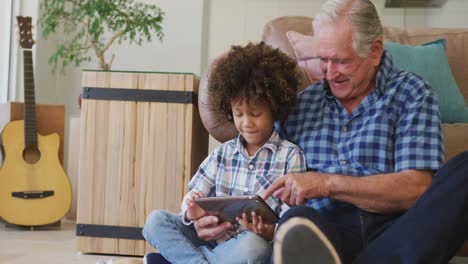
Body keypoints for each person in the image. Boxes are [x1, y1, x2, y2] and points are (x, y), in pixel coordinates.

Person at [259, 0, 468, 264]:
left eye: (342, 61)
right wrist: (232, 216)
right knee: (296, 223)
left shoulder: (412, 93)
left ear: (375, 51)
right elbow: (261, 173)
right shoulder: (299, 107)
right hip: (322, 231)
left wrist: (326, 183)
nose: (331, 73)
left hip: (393, 231)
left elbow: (415, 189)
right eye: (323, 60)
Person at [142, 42, 306, 264]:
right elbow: (193, 197)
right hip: (212, 241)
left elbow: (290, 223)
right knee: (156, 221)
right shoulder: (222, 154)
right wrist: (192, 212)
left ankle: (176, 260)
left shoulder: (290, 156)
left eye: (255, 113)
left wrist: (268, 231)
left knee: (254, 248)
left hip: (249, 245)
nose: (246, 123)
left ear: (274, 108)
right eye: (238, 114)